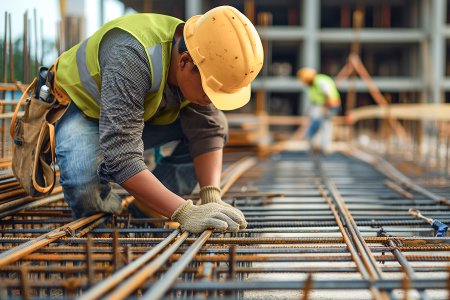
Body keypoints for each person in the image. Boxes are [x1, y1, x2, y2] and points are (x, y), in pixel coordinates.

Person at [53, 6, 264, 233]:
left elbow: (208, 130)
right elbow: (121, 156)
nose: (211, 99)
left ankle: (146, 208)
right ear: (184, 63)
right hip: (85, 109)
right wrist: (185, 212)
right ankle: (103, 229)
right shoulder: (131, 56)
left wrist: (211, 196)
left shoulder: (204, 53)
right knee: (82, 183)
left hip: (135, 113)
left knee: (216, 123)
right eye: (210, 90)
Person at [297, 67, 341, 154]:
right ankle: (314, 146)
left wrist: (325, 107)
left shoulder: (319, 81)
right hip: (321, 105)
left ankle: (325, 147)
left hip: (328, 105)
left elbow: (327, 94)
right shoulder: (313, 84)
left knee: (325, 125)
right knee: (318, 124)